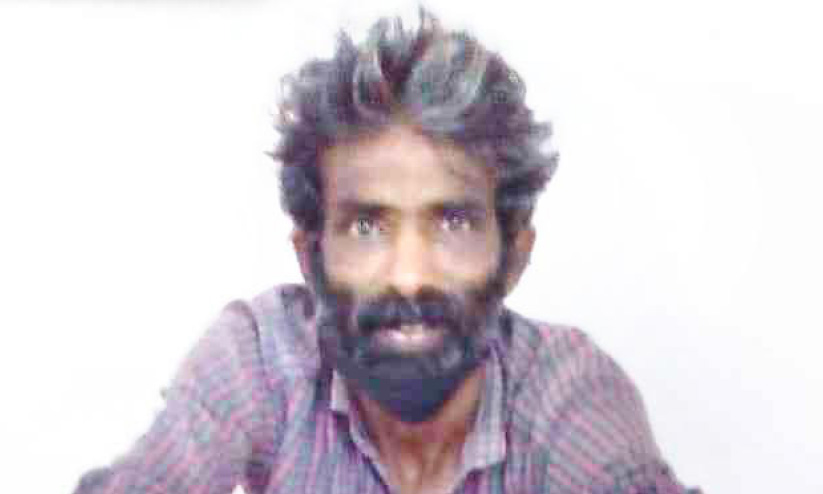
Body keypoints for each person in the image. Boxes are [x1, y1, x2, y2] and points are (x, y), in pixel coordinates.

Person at [73, 10, 701, 494]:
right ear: (309, 258)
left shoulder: (565, 388)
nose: (409, 276)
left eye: (454, 222)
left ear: (514, 256)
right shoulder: (261, 359)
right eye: (367, 226)